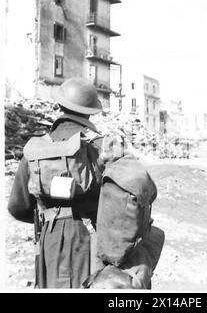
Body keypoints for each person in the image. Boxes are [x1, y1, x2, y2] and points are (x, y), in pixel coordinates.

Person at [7, 77, 130, 288]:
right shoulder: (102, 147)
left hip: (49, 239)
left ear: (60, 105)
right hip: (91, 238)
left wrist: (51, 217)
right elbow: (125, 203)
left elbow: (17, 207)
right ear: (90, 111)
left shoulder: (35, 150)